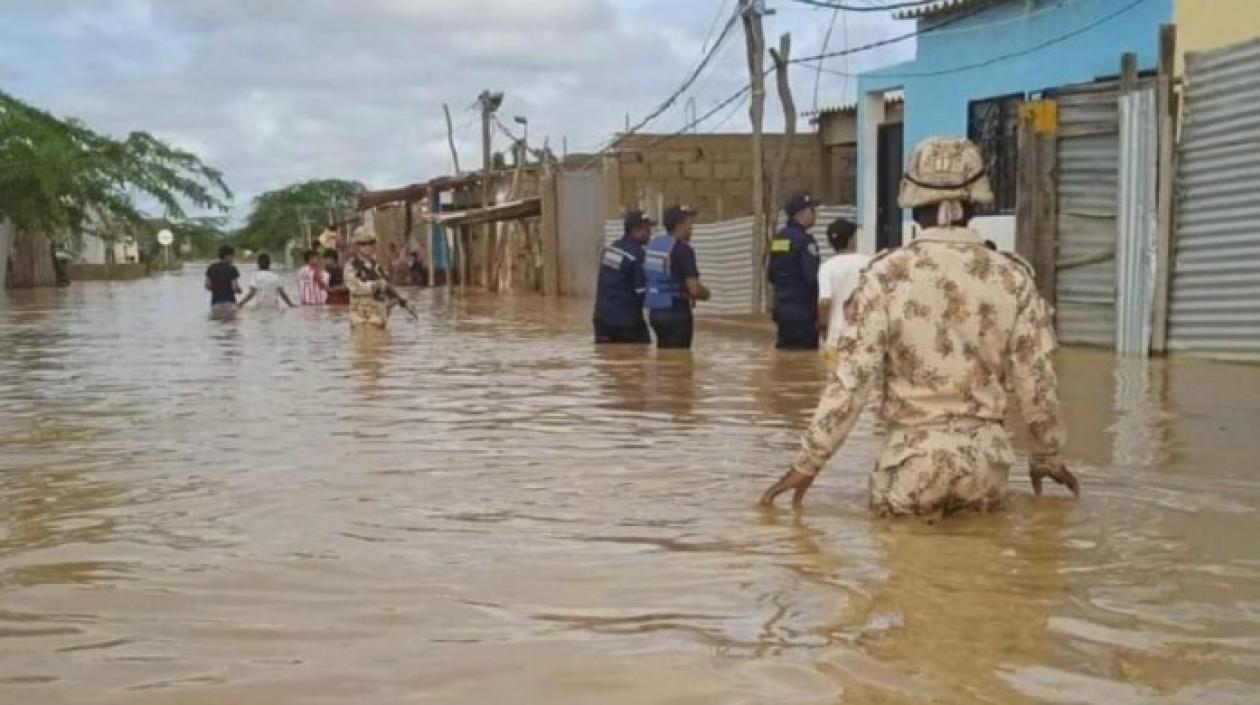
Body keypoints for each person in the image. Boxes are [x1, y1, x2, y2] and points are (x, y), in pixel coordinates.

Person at [760, 137, 1079, 517]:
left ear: (912, 206)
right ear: (975, 204)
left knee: (908, 570)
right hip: (985, 469)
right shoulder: (1013, 278)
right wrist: (1048, 455)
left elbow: (851, 382)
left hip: (908, 469)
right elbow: (1036, 381)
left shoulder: (885, 275)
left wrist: (808, 464)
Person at [645, 205, 710, 349]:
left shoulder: (654, 244)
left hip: (655, 312)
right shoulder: (683, 250)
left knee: (665, 359)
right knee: (680, 363)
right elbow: (694, 289)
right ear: (679, 225)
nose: (692, 228)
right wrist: (706, 294)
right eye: (689, 223)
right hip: (676, 313)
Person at [768, 192, 822, 350]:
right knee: (806, 362)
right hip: (803, 314)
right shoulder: (805, 241)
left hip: (782, 312)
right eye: (813, 210)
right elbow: (812, 278)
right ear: (803, 213)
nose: (815, 214)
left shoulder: (779, 238)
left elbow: (771, 275)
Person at [593, 210, 654, 344]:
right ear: (635, 230)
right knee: (639, 358)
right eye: (647, 229)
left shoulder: (610, 249)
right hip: (626, 324)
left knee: (607, 362)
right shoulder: (637, 255)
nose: (650, 233)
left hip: (601, 321)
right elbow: (641, 293)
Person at [816, 218, 870, 366]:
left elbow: (825, 301)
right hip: (864, 334)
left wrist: (823, 329)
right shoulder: (870, 262)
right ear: (852, 239)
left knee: (833, 381)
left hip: (836, 337)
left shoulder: (827, 267)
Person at [344, 227, 396, 329]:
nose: (367, 246)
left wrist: (392, 300)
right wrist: (375, 285)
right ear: (357, 246)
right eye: (363, 244)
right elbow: (355, 287)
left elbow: (386, 286)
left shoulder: (377, 266)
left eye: (370, 243)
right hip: (362, 318)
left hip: (379, 316)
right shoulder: (351, 266)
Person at [204, 244, 242, 319]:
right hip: (229, 304)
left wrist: (217, 288)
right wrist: (239, 290)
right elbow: (234, 287)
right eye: (233, 256)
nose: (233, 259)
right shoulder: (232, 269)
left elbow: (207, 285)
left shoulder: (211, 267)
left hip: (215, 305)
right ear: (227, 256)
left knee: (216, 328)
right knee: (231, 327)